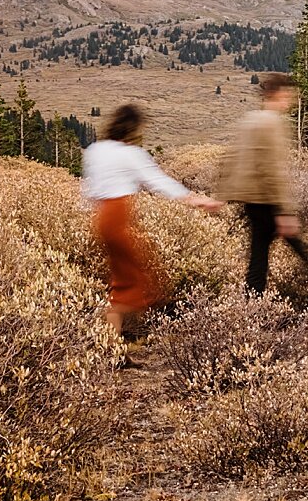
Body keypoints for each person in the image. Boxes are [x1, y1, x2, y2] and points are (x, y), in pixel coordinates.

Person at [82, 104, 220, 357]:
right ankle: (116, 343)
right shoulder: (130, 153)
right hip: (118, 218)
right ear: (134, 128)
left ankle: (113, 349)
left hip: (100, 218)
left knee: (123, 282)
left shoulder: (95, 150)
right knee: (143, 281)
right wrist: (194, 199)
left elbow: (88, 189)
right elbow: (157, 181)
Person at [217, 72, 308, 292]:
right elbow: (273, 170)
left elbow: (230, 159)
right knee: (297, 246)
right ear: (277, 94)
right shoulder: (273, 123)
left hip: (251, 199)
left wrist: (222, 195)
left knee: (259, 254)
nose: (291, 101)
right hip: (268, 200)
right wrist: (284, 211)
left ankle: (253, 301)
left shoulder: (250, 121)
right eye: (289, 96)